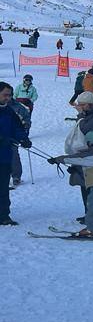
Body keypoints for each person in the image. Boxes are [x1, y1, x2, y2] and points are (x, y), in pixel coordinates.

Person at [49, 100, 93, 238]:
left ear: (90, 142)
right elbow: (82, 161)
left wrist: (59, 159)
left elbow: (77, 158)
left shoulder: (92, 156)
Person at [0, 81, 32, 225]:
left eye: (10, 95)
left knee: (3, 188)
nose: (8, 98)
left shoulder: (9, 111)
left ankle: (3, 216)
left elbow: (17, 128)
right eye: (5, 95)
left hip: (5, 157)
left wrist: (23, 139)